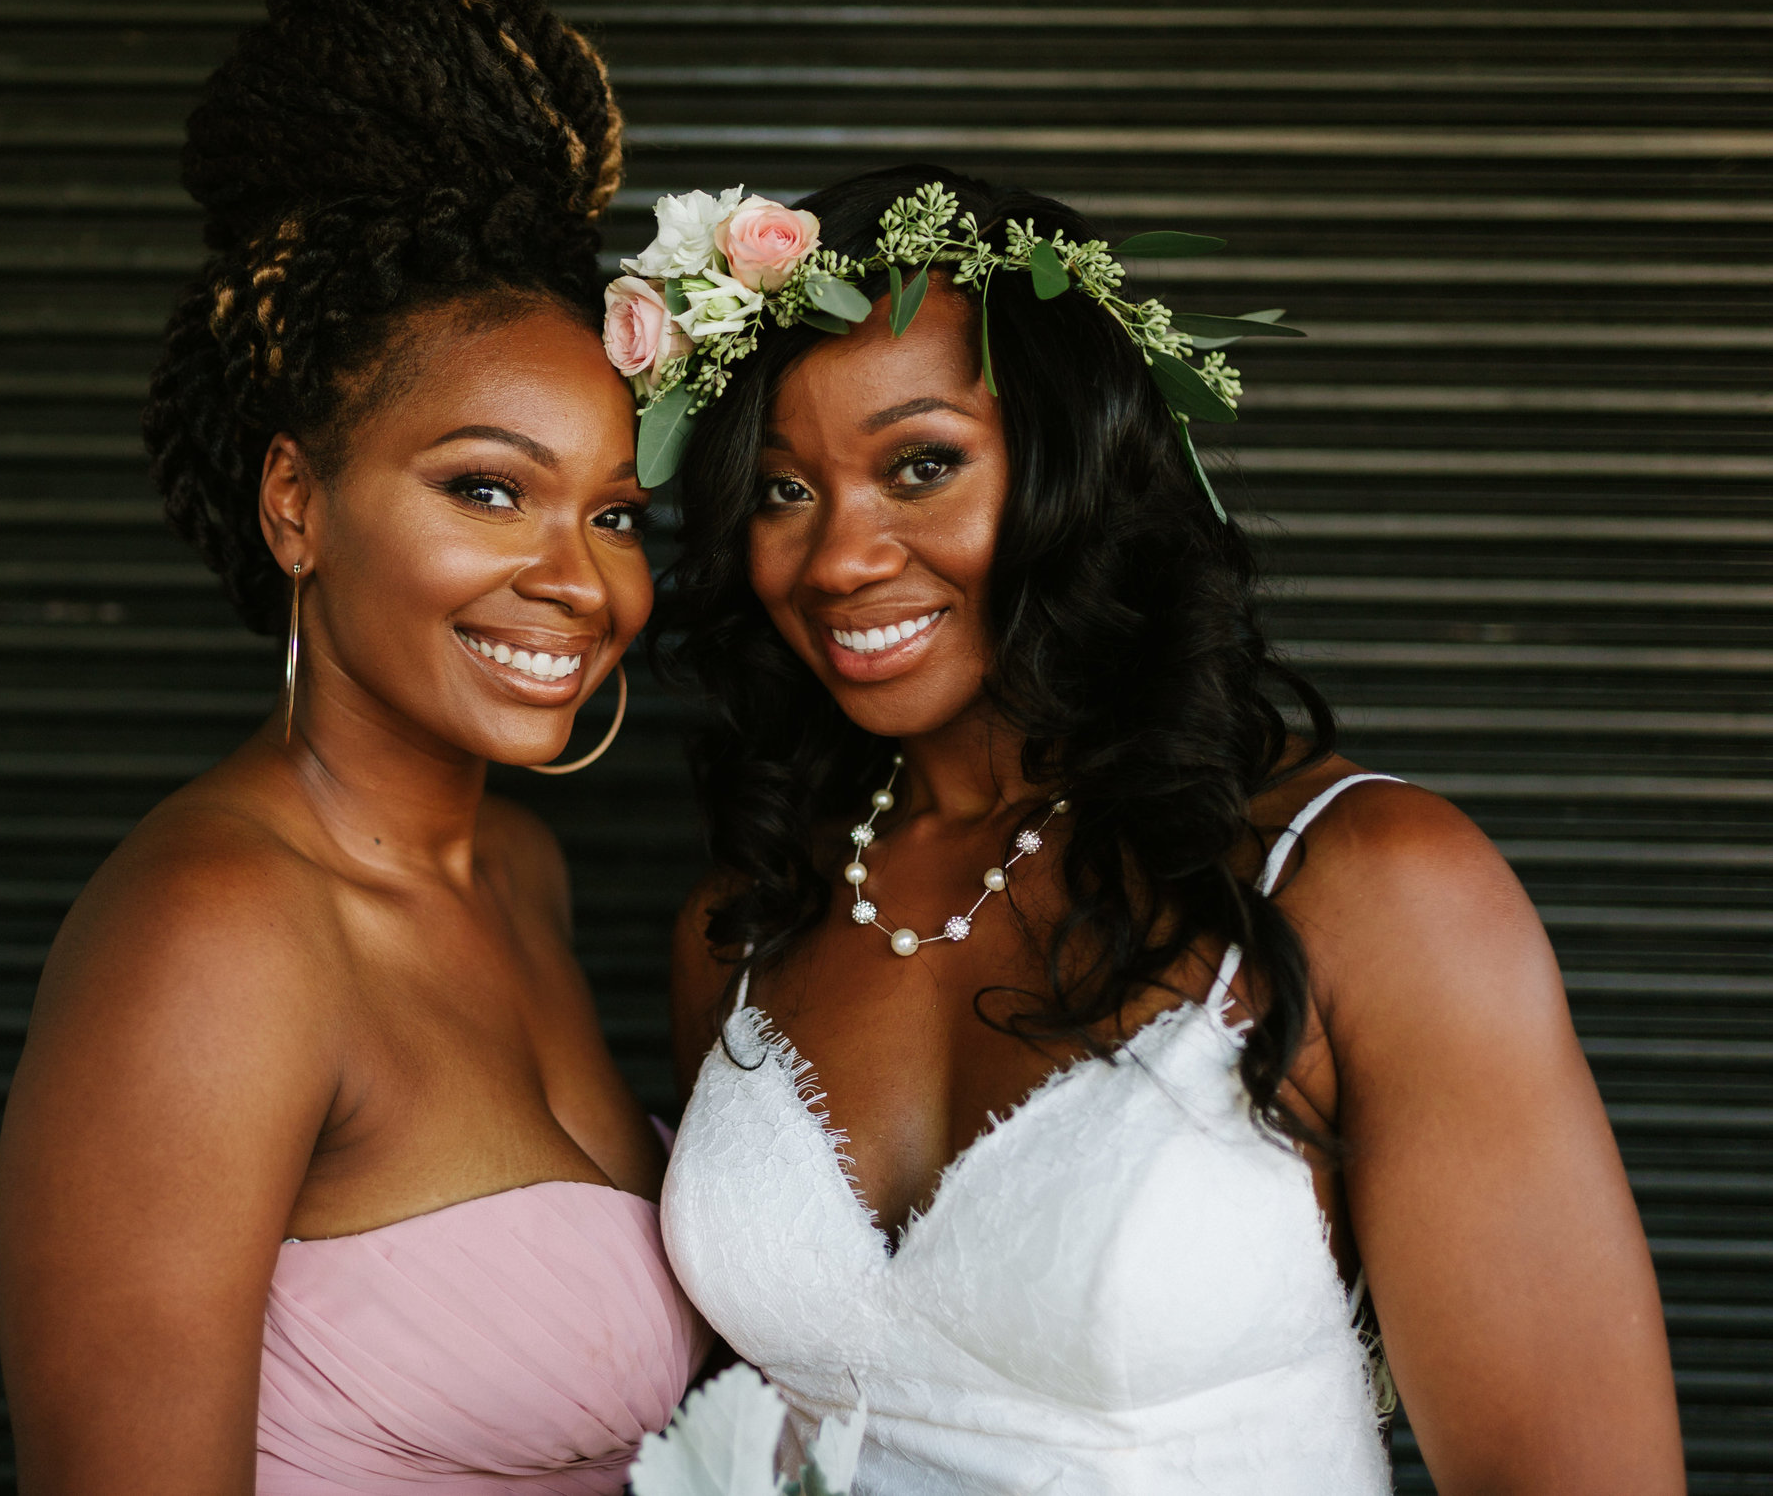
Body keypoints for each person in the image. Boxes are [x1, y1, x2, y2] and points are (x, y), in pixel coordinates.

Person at [644, 165, 1685, 1493]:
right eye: (783, 491)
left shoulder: (1366, 886)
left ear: (1079, 461)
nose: (840, 556)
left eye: (921, 465)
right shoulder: (747, 920)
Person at [0, 0, 704, 1495]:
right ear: (296, 503)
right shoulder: (214, 935)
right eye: (486, 489)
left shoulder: (518, 875)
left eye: (618, 513)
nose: (575, 580)